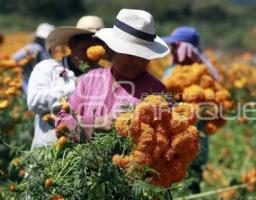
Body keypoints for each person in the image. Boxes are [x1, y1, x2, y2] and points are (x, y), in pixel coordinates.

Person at [55, 9, 170, 139]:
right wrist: (92, 123)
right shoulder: (90, 80)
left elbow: (166, 140)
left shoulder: (156, 91)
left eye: (144, 55)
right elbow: (61, 122)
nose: (137, 61)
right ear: (112, 49)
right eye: (131, 53)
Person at [27, 16, 105, 149]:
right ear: (72, 44)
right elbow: (34, 102)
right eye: (86, 47)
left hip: (85, 161)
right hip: (46, 158)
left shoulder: (105, 76)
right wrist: (75, 85)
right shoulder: (47, 68)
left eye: (98, 48)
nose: (91, 54)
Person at [162, 26, 221, 194]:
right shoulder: (172, 70)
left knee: (190, 183)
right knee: (177, 184)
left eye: (174, 46)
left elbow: (217, 97)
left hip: (193, 141)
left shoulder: (202, 73)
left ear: (183, 47)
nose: (171, 50)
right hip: (173, 141)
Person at [12, 23, 55, 93]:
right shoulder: (34, 48)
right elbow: (14, 58)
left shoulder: (43, 49)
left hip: (39, 87)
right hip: (28, 86)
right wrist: (22, 67)